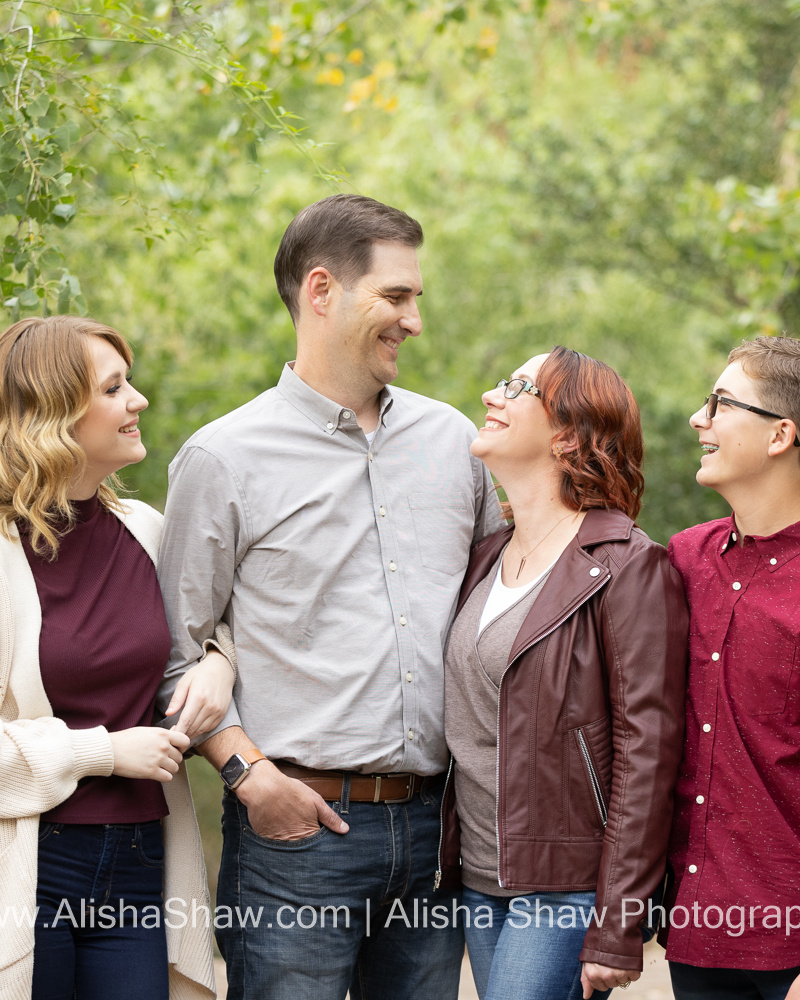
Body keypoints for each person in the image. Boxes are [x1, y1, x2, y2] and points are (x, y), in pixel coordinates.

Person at [156, 193, 504, 1000]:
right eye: (396, 296)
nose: (414, 320)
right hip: (292, 834)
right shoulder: (222, 458)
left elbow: (498, 608)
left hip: (435, 830)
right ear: (321, 291)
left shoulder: (454, 441)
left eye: (416, 297)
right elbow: (173, 653)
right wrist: (250, 777)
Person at [440, 346, 689, 1000]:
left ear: (568, 434)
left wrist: (619, 921)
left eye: (517, 387)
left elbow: (648, 753)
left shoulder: (630, 565)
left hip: (566, 884)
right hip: (478, 875)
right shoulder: (483, 556)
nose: (493, 396)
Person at [0, 315, 236, 1000]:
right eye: (113, 388)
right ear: (53, 413)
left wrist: (218, 662)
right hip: (29, 864)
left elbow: (209, 631)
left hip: (139, 862)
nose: (138, 401)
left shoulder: (148, 533)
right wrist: (103, 752)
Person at [661, 335, 800, 999]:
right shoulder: (684, 559)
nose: (699, 418)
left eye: (719, 403)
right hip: (699, 932)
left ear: (780, 436)